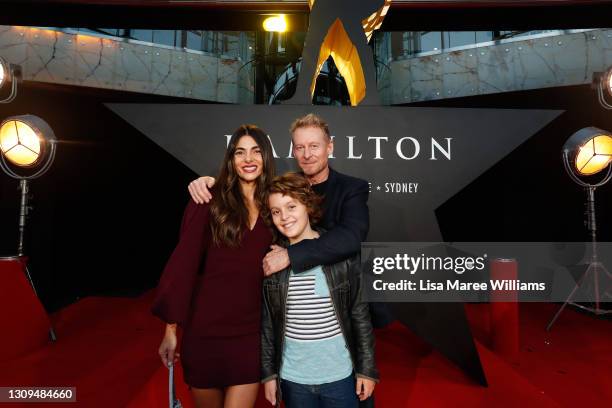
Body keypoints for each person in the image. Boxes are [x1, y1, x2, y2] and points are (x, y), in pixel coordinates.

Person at [151, 125, 275, 408]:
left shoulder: (276, 206)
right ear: (231, 159)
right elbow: (184, 266)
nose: (248, 159)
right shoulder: (209, 201)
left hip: (249, 334)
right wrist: (170, 331)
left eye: (256, 151)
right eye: (240, 152)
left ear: (266, 157)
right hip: (204, 333)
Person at [188, 113, 369, 277]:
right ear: (293, 151)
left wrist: (291, 255)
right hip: (287, 288)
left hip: (341, 286)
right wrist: (210, 182)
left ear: (329, 147)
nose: (307, 154)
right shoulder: (279, 187)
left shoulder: (352, 188)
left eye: (314, 146)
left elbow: (351, 237)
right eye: (300, 147)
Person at [261, 172, 378, 407]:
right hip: (293, 379)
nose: (284, 217)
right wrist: (269, 375)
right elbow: (268, 325)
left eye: (291, 206)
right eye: (276, 211)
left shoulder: (339, 254)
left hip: (340, 376)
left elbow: (360, 315)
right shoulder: (272, 261)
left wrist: (366, 370)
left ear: (307, 204)